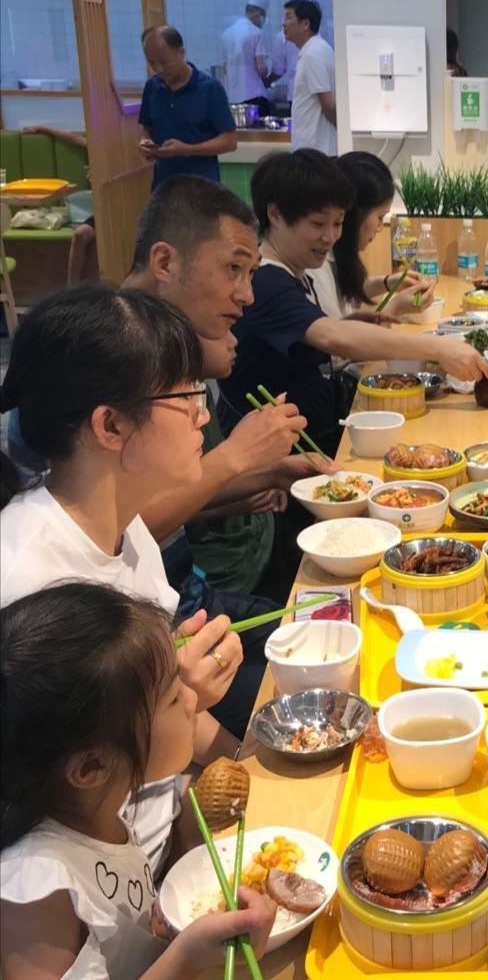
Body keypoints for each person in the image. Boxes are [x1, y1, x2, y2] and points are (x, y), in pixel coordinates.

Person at [0, 287, 245, 872]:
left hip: (170, 830)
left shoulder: (125, 526)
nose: (203, 414)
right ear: (110, 425)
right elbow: (43, 819)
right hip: (117, 893)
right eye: (186, 396)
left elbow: (178, 716)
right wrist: (169, 702)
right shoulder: (27, 587)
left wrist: (249, 759)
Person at [0, 583, 277, 980]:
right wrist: (185, 958)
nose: (193, 700)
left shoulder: (99, 812)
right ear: (91, 767)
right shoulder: (36, 889)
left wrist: (157, 928)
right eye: (173, 697)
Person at [219, 150, 488, 455]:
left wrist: (355, 323)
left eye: (337, 223)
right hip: (294, 456)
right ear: (275, 215)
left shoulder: (296, 272)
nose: (330, 237)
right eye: (317, 224)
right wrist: (440, 349)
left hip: (321, 431)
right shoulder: (266, 281)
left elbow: (323, 334)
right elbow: (333, 337)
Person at [124, 176, 316, 602]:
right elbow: (111, 532)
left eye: (251, 274)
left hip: (179, 587)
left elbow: (169, 499)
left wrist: (270, 473)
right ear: (164, 262)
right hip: (139, 616)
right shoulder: (106, 355)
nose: (247, 295)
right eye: (233, 269)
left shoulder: (160, 342)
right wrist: (238, 454)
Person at [308, 151, 432, 323]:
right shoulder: (316, 265)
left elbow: (347, 291)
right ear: (354, 214)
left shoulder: (336, 255)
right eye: (380, 217)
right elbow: (343, 338)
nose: (380, 228)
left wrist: (388, 282)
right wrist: (396, 307)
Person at [139, 26, 237, 190]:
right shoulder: (152, 87)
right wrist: (145, 141)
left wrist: (187, 150)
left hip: (201, 188)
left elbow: (230, 141)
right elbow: (146, 125)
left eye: (164, 62)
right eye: (151, 62)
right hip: (163, 187)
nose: (158, 69)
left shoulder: (209, 89)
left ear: (181, 53)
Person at [20, 124, 95, 284]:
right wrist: (43, 128)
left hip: (123, 210)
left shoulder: (128, 151)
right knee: (80, 234)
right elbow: (73, 138)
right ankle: (72, 290)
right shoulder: (98, 146)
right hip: (101, 212)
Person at [283, 0, 336, 154]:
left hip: (316, 151)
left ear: (305, 24)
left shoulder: (312, 54)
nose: (284, 23)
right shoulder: (316, 49)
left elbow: (328, 105)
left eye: (289, 17)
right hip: (316, 149)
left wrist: (342, 132)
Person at [221, 0, 270, 112]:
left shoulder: (227, 34)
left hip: (233, 99)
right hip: (255, 97)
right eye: (263, 16)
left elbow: (225, 68)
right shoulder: (257, 33)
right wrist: (267, 76)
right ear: (258, 13)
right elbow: (261, 68)